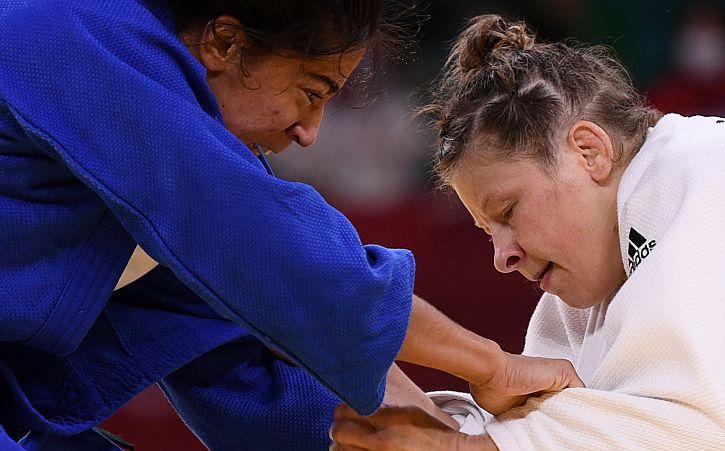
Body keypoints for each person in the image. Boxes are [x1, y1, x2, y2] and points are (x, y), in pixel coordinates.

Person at [0, 3, 581, 450]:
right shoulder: (74, 33)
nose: (308, 132)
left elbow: (248, 346)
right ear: (225, 41)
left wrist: (443, 436)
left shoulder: (159, 135)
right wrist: (493, 365)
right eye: (310, 92)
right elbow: (285, 259)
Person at [330, 14, 725, 450]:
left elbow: (701, 433)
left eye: (509, 211)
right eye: (487, 231)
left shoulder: (708, 170)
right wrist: (437, 423)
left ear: (589, 151)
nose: (501, 256)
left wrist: (460, 445)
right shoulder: (594, 274)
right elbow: (554, 427)